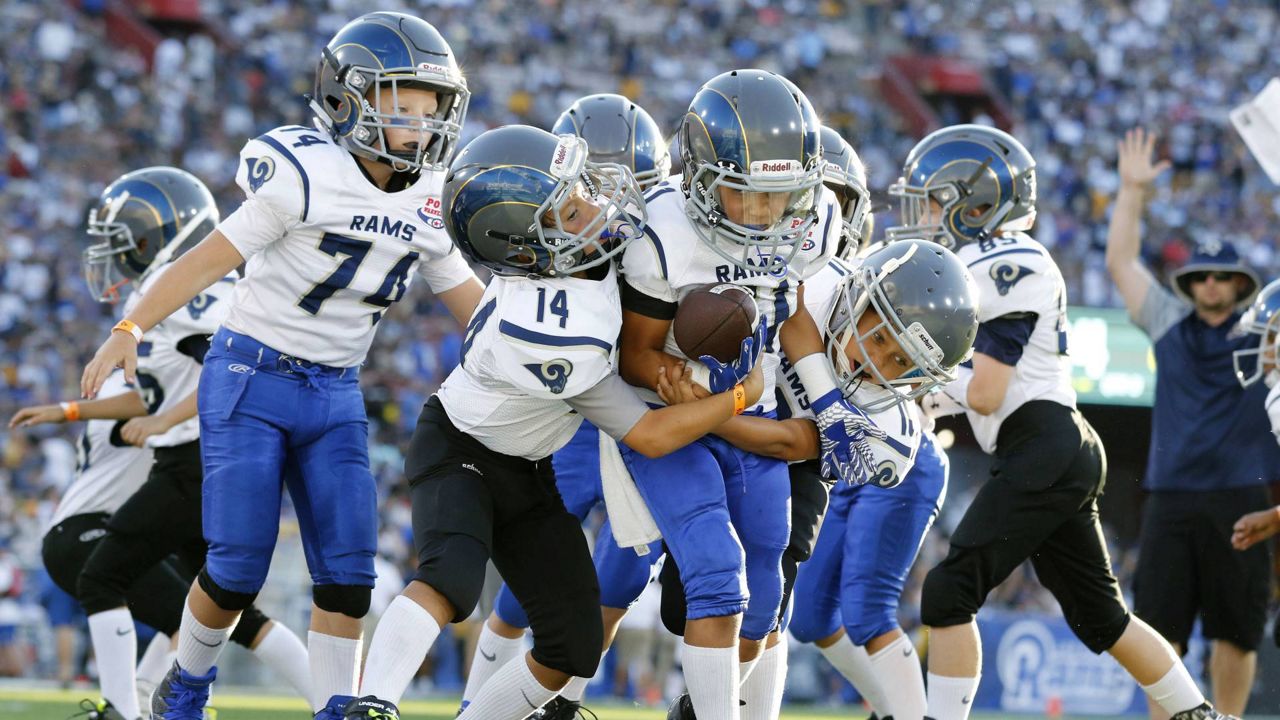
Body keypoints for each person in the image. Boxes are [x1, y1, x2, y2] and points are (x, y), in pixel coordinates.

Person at [79, 13, 482, 720]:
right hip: (250, 377)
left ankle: (335, 709)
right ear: (347, 99)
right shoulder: (304, 173)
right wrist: (129, 326)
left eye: (429, 107)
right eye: (403, 104)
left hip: (335, 391)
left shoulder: (431, 200)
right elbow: (205, 260)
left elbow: (472, 311)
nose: (421, 123)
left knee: (350, 576)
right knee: (236, 567)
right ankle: (188, 685)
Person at [344, 124, 767, 720]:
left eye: (583, 188)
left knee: (574, 644)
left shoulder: (570, 268)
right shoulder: (554, 329)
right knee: (452, 578)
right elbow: (648, 435)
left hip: (529, 466)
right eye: (571, 208)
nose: (594, 206)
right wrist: (734, 398)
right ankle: (370, 703)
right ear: (527, 248)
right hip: (462, 450)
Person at [890, 124, 1235, 720]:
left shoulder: (1004, 260)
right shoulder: (988, 259)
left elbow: (989, 392)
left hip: (1042, 441)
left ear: (976, 205)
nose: (926, 216)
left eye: (937, 201)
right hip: (1053, 446)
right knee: (1104, 616)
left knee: (949, 591)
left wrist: (919, 378)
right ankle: (1198, 714)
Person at [17, 166, 309, 720]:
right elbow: (153, 396)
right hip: (218, 462)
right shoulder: (177, 303)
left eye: (133, 244)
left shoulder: (195, 293)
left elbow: (229, 369)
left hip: (200, 462)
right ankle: (325, 698)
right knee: (224, 612)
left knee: (112, 579)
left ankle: (125, 710)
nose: (121, 261)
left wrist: (157, 417)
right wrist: (72, 409)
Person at [615, 68, 849, 720]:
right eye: (750, 195)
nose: (769, 212)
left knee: (767, 576)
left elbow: (794, 315)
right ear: (701, 178)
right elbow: (633, 352)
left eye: (782, 196)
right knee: (717, 573)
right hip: (674, 417)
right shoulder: (664, 232)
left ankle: (708, 708)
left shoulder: (811, 221)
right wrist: (672, 376)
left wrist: (829, 401)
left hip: (756, 403)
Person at [663, 239, 979, 720]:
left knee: (767, 601)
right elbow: (790, 314)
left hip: (793, 471)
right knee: (681, 606)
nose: (876, 362)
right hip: (727, 433)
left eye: (899, 363)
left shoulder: (892, 431)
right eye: (878, 338)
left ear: (920, 381)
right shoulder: (816, 281)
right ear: (858, 297)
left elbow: (788, 443)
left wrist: (699, 414)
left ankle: (707, 708)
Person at [459, 92, 671, 720]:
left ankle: (561, 704)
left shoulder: (673, 233)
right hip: (572, 409)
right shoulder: (538, 237)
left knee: (626, 572)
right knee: (530, 584)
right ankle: (477, 702)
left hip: (640, 402)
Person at [1105, 127, 1277, 719]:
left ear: (1239, 283)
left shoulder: (1268, 332)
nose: (1209, 283)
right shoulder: (1169, 323)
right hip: (1171, 497)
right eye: (1200, 275)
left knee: (1237, 632)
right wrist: (1131, 193)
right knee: (1160, 629)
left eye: (1220, 275)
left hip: (1242, 495)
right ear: (1190, 283)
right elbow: (1122, 262)